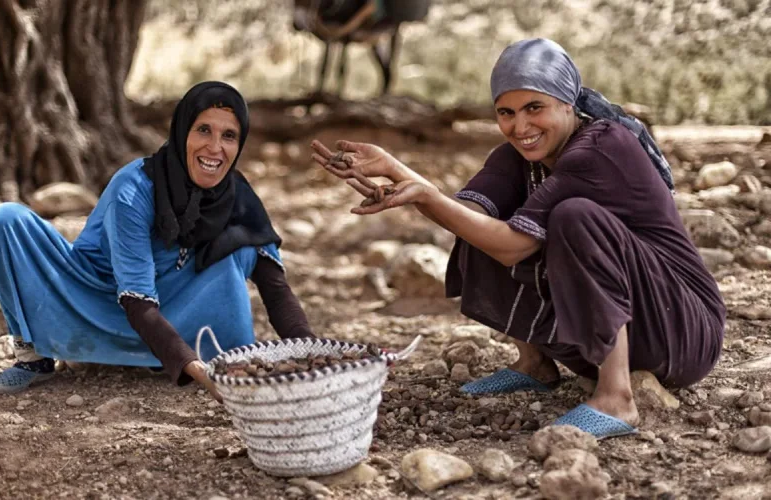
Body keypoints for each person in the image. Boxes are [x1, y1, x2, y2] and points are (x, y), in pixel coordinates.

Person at [311, 38, 725, 439]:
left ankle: (616, 397)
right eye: (506, 112)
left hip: (682, 333)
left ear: (567, 101)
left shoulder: (600, 147)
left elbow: (513, 245)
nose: (520, 126)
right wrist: (395, 170)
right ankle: (534, 365)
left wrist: (426, 196)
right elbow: (467, 217)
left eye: (534, 108)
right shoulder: (516, 157)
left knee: (574, 217)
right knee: (480, 221)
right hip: (612, 336)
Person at [0, 81, 314, 401]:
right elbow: (137, 300)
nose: (215, 148)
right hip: (95, 298)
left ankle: (167, 351)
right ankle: (36, 357)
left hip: (167, 305)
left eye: (229, 135)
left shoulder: (237, 195)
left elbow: (275, 288)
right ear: (182, 130)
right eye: (203, 130)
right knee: (5, 221)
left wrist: (315, 358)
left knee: (239, 245)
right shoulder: (135, 189)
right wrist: (197, 373)